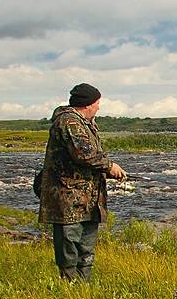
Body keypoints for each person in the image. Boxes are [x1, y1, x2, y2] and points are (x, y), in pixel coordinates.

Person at [38, 82, 127, 282]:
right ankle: (69, 290)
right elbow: (84, 154)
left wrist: (106, 169)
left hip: (88, 198)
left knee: (86, 249)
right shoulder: (68, 122)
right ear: (87, 104)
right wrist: (109, 166)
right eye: (97, 103)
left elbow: (88, 158)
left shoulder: (86, 123)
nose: (99, 107)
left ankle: (83, 291)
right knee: (69, 247)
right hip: (68, 197)